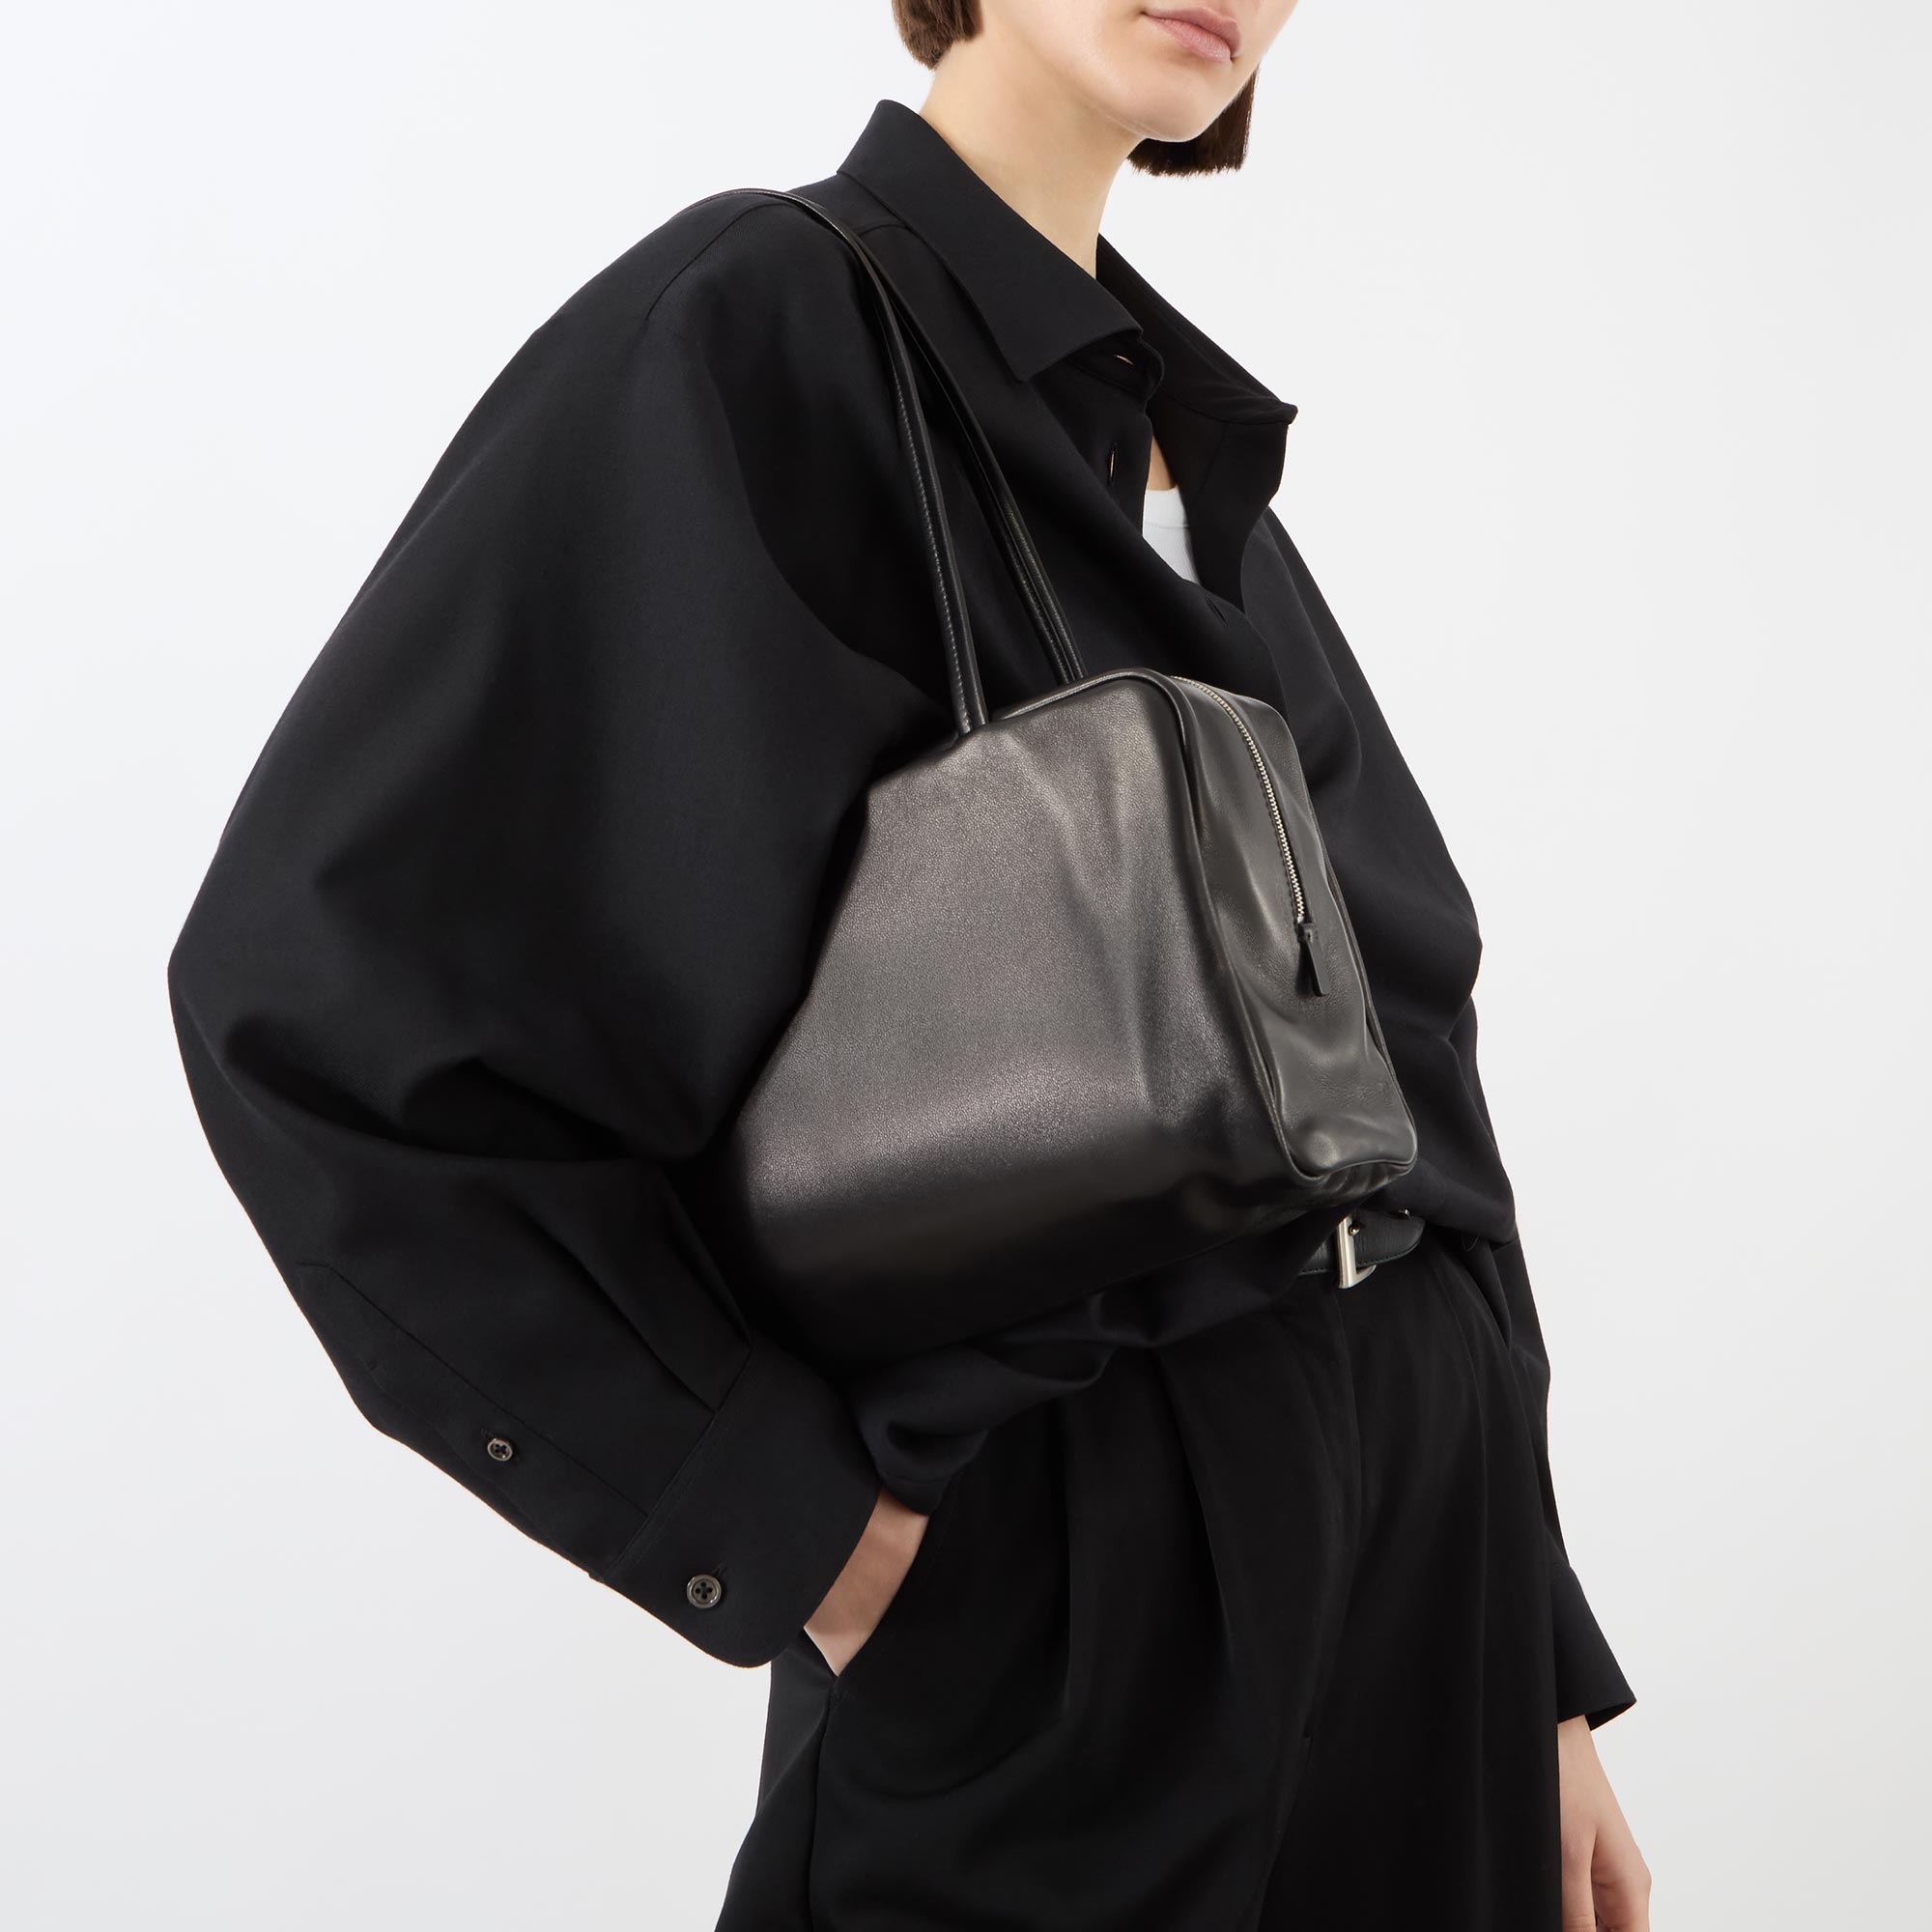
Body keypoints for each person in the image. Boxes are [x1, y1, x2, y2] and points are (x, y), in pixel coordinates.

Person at [167, 3, 1650, 1926]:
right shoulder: (764, 327)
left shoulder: (1185, 454)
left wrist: (1536, 1657)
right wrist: (784, 1526)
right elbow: (324, 998)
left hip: (1430, 1585)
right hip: (1082, 1602)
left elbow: (1407, 1080)